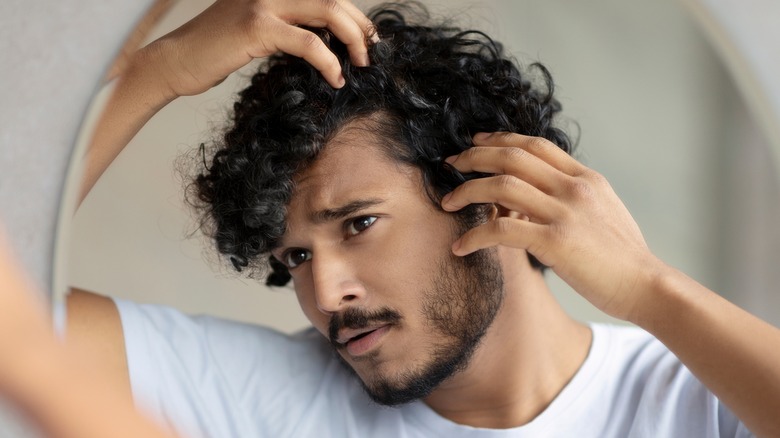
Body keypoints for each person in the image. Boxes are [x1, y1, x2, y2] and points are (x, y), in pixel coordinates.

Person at [3, 0, 777, 436]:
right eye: (297, 257)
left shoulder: (699, 400)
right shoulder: (258, 397)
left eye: (358, 224)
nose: (325, 292)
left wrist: (646, 288)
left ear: (496, 195)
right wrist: (152, 72)